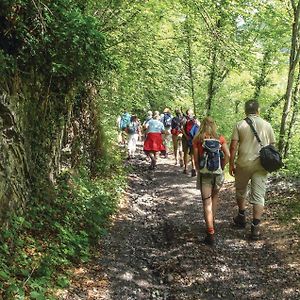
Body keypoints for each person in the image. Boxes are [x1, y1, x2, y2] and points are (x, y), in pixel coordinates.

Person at [229, 100, 276, 240]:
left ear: (245, 110)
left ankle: (242, 216)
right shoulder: (267, 125)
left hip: (243, 163)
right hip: (261, 165)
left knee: (241, 190)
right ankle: (255, 228)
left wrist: (231, 163)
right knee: (259, 195)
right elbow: (273, 146)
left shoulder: (240, 124)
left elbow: (233, 146)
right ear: (258, 110)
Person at [193, 116, 230, 246]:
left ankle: (210, 232)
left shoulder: (198, 139)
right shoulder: (220, 138)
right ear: (214, 125)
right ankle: (212, 223)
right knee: (214, 198)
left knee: (206, 202)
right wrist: (222, 167)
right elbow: (228, 155)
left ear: (202, 125)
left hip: (205, 174)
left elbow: (196, 159)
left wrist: (199, 170)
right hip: (218, 173)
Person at [182, 108, 197, 177]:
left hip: (186, 138)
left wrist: (186, 136)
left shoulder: (184, 119)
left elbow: (182, 128)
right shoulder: (195, 119)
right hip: (193, 138)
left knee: (185, 152)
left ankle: (185, 168)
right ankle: (193, 167)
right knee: (192, 153)